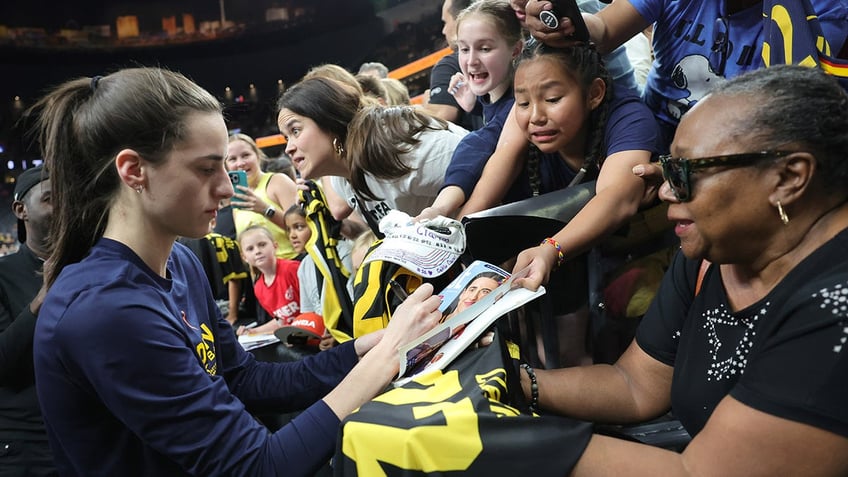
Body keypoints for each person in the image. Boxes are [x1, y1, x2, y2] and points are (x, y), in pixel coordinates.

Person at [29, 67, 442, 476]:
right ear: (134, 170)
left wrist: (371, 346)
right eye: (207, 169)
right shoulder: (106, 311)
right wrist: (385, 360)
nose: (228, 188)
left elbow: (245, 379)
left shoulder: (182, 262)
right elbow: (256, 467)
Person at [516, 65, 848, 475]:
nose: (666, 190)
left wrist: (495, 440)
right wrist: (512, 381)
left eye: (686, 172)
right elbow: (634, 385)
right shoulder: (714, 258)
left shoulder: (836, 310)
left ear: (788, 177)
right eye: (669, 169)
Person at [524, 0, 848, 149]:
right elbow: (604, 29)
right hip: (656, 130)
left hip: (737, 148)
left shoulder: (823, 9)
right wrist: (572, 23)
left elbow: (787, 100)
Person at [277, 77, 468, 231]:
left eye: (295, 131)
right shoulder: (340, 178)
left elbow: (484, 168)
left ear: (330, 121)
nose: (289, 148)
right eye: (286, 138)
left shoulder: (395, 142)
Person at [421, 0, 524, 220]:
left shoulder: (521, 103)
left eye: (485, 48)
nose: (471, 61)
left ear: (516, 49)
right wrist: (476, 105)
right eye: (463, 49)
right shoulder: (491, 97)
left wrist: (438, 210)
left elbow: (480, 143)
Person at [0, 165, 55, 476]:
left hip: (89, 437)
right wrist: (43, 298)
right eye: (50, 199)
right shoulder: (3, 275)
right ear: (21, 210)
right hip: (28, 448)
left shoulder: (93, 267)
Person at [226, 133, 299, 259]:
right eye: (232, 159)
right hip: (263, 275)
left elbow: (302, 227)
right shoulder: (238, 201)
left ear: (258, 156)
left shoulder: (278, 181)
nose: (240, 163)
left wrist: (266, 210)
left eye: (246, 155)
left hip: (293, 264)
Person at [424, 0, 486, 131]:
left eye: (445, 22)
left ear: (459, 20)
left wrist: (424, 109)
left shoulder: (448, 66)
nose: (443, 30)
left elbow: (442, 117)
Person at [236, 225, 302, 337]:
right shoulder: (259, 288)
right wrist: (253, 331)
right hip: (296, 338)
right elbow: (281, 319)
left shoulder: (293, 269)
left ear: (275, 246)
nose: (257, 251)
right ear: (244, 257)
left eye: (262, 245)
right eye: (250, 249)